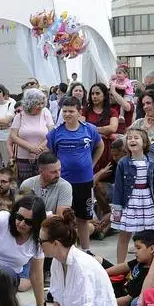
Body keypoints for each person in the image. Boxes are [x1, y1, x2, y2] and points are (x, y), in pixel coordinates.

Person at [22, 209, 119, 306]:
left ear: (56, 243)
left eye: (41, 241)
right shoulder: (56, 261)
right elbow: (57, 302)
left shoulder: (81, 267)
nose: (39, 245)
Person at [47, 96, 103, 249]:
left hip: (84, 182)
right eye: (64, 111)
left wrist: (91, 164)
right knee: (63, 218)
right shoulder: (56, 133)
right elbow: (51, 153)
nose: (67, 114)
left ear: (79, 112)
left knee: (83, 219)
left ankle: (86, 250)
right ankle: (65, 250)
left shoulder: (89, 129)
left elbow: (100, 146)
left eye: (71, 111)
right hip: (63, 182)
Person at [110, 128, 154, 267]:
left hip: (147, 200)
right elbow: (118, 188)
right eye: (129, 138)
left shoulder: (153, 162)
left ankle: (150, 265)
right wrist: (117, 208)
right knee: (124, 234)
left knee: (148, 235)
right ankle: (120, 266)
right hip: (129, 201)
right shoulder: (123, 163)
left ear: (144, 142)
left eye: (136, 138)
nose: (132, 140)